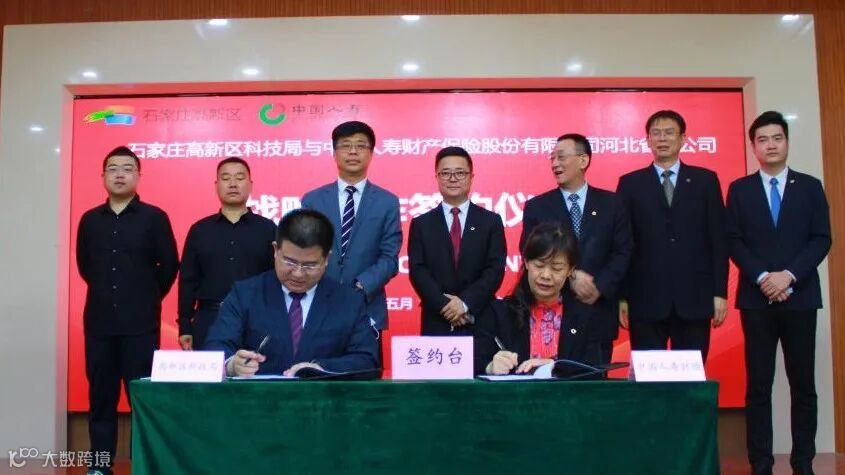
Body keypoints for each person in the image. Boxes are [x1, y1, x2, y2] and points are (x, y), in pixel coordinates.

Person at [726, 111, 831, 475]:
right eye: (762, 140)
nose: (770, 145)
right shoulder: (740, 189)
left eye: (777, 138)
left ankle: (803, 462)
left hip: (800, 297)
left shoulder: (810, 186)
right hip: (756, 301)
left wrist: (788, 276)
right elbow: (733, 240)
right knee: (759, 385)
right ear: (753, 146)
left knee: (803, 385)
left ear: (786, 142)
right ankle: (761, 463)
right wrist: (762, 277)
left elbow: (821, 238)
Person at [76, 145, 178, 475]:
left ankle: (143, 464)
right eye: (113, 168)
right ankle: (99, 465)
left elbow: (169, 265)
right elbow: (85, 266)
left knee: (142, 401)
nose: (120, 174)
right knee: (101, 400)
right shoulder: (90, 220)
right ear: (103, 176)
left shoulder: (155, 218)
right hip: (100, 325)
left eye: (127, 168)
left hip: (140, 326)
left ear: (138, 175)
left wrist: (147, 296)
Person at [204, 208, 379, 377]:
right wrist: (232, 365)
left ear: (326, 258)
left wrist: (320, 369)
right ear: (275, 250)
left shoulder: (349, 301)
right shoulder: (245, 294)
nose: (298, 274)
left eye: (309, 265)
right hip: (258, 396)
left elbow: (367, 360)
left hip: (324, 396)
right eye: (289, 262)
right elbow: (216, 346)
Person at [616, 110, 728, 362]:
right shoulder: (630, 184)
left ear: (683, 138)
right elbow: (623, 244)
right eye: (656, 133)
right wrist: (622, 296)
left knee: (691, 378)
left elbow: (718, 240)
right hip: (645, 300)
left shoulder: (705, 181)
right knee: (648, 377)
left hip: (695, 297)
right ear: (647, 140)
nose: (662, 139)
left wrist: (720, 292)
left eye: (669, 133)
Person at [521, 133, 632, 363]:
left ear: (583, 160)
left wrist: (599, 286)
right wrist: (572, 276)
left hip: (598, 310)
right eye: (552, 158)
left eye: (561, 157)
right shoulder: (537, 206)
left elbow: (623, 251)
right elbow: (529, 252)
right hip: (552, 314)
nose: (555, 163)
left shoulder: (612, 204)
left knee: (594, 380)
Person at [301, 120, 402, 332]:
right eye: (346, 145)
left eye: (361, 145)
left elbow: (389, 258)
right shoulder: (313, 200)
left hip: (367, 306)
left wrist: (360, 286)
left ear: (371, 153)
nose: (353, 151)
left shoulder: (387, 202)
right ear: (334, 153)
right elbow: (305, 251)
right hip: (319, 304)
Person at [475, 223, 601, 375]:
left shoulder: (585, 316)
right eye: (539, 265)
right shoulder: (498, 313)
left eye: (556, 268)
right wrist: (489, 367)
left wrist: (555, 367)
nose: (546, 275)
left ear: (570, 270)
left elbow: (596, 371)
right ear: (526, 262)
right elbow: (473, 362)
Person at [177, 157, 276, 351]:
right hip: (209, 319)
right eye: (225, 178)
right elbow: (188, 280)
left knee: (255, 370)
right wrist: (185, 325)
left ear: (250, 184)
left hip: (256, 319)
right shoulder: (200, 230)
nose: (232, 184)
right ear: (216, 185)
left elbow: (276, 277)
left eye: (239, 178)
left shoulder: (267, 228)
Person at [408, 146, 506, 335]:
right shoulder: (422, 223)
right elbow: (418, 271)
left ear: (471, 177)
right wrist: (445, 306)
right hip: (436, 319)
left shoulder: (490, 221)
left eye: (460, 173)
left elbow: (494, 270)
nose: (453, 179)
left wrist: (465, 303)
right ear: (437, 177)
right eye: (445, 173)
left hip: (479, 318)